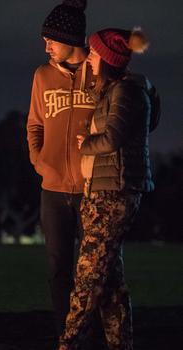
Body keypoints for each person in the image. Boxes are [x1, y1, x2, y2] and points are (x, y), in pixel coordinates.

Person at [59, 28, 156, 350]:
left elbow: (112, 138)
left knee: (86, 281)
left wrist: (85, 144)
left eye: (94, 53)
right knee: (110, 283)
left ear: (108, 59)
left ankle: (68, 345)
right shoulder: (114, 90)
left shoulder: (126, 92)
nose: (88, 57)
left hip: (113, 194)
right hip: (102, 191)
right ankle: (120, 344)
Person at [26, 0, 97, 337]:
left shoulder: (101, 73)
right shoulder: (42, 76)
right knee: (58, 269)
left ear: (70, 40)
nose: (46, 48)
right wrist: (40, 162)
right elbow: (35, 124)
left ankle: (95, 334)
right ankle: (65, 336)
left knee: (95, 269)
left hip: (93, 189)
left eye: (50, 41)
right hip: (52, 189)